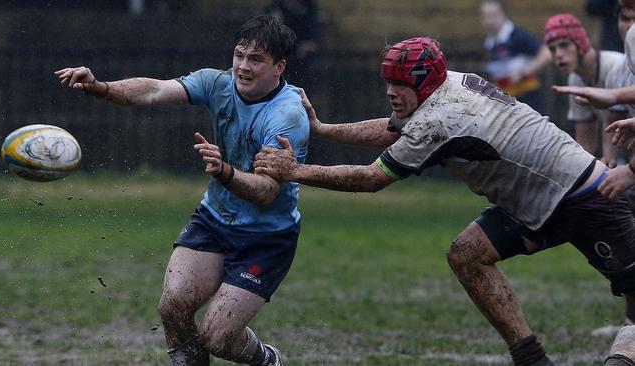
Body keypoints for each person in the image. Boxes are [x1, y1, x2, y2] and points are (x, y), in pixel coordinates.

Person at [253, 36, 635, 366]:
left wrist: (295, 171)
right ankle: (531, 358)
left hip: (584, 194)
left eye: (399, 84)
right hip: (533, 201)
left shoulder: (441, 120)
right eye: (388, 82)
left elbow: (372, 179)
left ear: (421, 82)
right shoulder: (449, 83)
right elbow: (392, 129)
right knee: (467, 253)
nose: (390, 92)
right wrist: (324, 130)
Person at [55, 15, 309, 366]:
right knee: (173, 307)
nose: (243, 67)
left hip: (266, 237)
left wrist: (224, 172)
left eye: (256, 59)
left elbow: (267, 191)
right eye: (239, 55)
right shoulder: (217, 83)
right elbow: (155, 89)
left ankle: (266, 359)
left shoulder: (287, 116)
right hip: (214, 220)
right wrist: (101, 86)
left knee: (217, 338)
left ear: (279, 67)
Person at [545, 13, 624, 162]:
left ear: (580, 43)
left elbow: (616, 118)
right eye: (552, 49)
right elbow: (585, 138)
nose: (558, 54)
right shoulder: (575, 78)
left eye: (564, 45)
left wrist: (608, 160)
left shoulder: (615, 64)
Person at [479, 0, 551, 114]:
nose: (489, 21)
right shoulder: (489, 42)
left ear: (504, 14)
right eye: (486, 16)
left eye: (493, 15)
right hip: (506, 102)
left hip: (528, 99)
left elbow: (547, 53)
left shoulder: (518, 35)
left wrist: (523, 73)